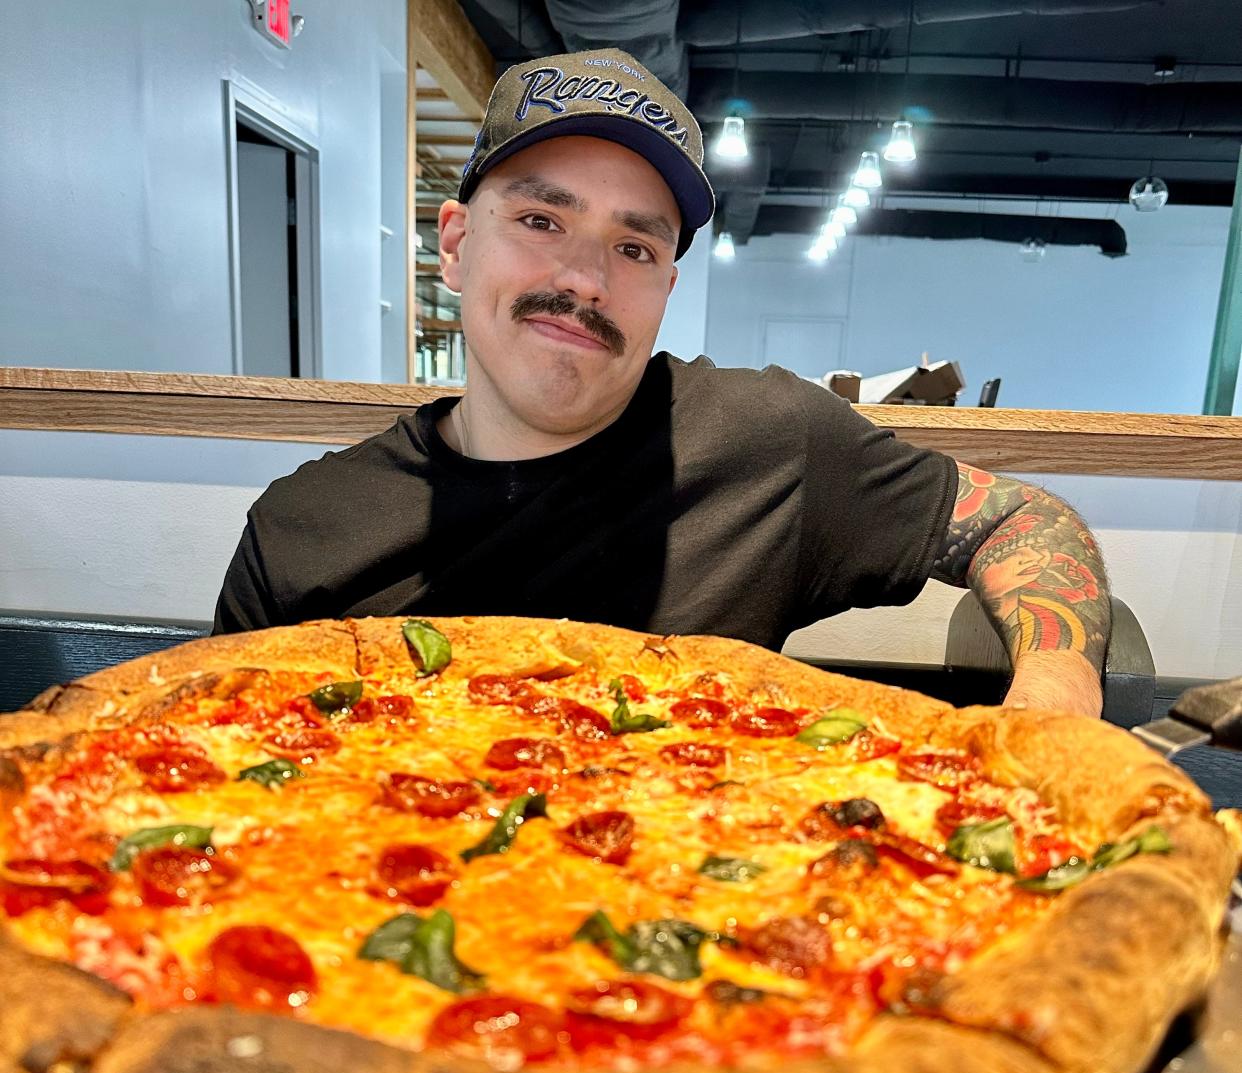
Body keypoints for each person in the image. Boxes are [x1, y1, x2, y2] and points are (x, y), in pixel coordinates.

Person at [214, 47, 1108, 717]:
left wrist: (1056, 690)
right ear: (454, 243)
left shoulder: (769, 441)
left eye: (634, 246)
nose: (586, 278)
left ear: (665, 289)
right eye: (540, 218)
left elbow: (1020, 519)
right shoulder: (302, 534)